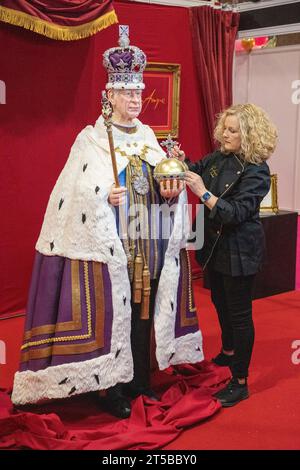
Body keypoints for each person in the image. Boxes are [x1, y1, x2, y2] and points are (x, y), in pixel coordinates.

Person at [11, 26, 203, 418]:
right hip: (110, 250)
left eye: (138, 93)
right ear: (110, 95)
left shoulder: (150, 137)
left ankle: (140, 381)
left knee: (142, 312)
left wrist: (170, 191)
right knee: (114, 314)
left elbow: (165, 185)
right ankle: (111, 387)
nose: (135, 99)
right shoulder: (91, 141)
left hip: (146, 242)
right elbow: (72, 195)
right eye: (127, 93)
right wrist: (103, 195)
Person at [173, 103, 277, 407]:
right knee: (219, 300)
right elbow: (195, 170)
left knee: (240, 314)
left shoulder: (258, 170)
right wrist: (182, 162)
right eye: (225, 129)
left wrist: (203, 192)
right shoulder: (219, 157)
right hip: (213, 245)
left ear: (248, 134)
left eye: (233, 130)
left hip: (239, 248)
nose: (225, 134)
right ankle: (229, 350)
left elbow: (236, 213)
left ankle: (240, 381)